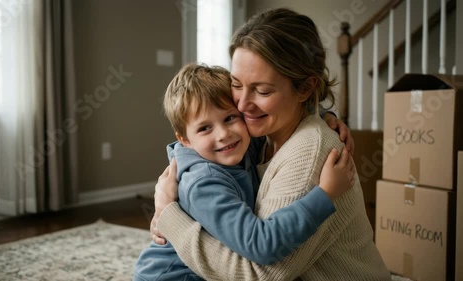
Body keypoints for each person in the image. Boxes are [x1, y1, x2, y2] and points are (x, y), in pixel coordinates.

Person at [151, 8, 391, 281]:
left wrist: (170, 217)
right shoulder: (260, 133)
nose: (242, 105)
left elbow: (258, 275)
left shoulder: (309, 154)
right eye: (237, 84)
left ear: (305, 89)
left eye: (263, 91)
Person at [134, 64, 355, 281]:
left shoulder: (241, 146)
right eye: (204, 128)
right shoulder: (204, 184)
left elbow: (281, 116)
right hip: (173, 276)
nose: (223, 134)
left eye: (230, 118)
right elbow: (260, 244)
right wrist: (325, 195)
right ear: (184, 140)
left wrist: (323, 115)